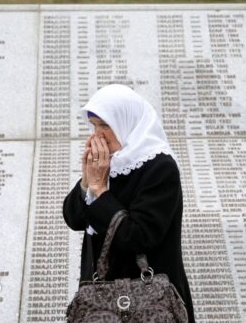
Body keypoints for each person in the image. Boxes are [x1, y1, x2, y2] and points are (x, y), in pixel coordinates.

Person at [63, 84, 195, 322]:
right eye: (94, 125)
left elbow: (139, 235)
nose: (98, 134)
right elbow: (74, 219)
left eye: (105, 125)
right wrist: (86, 181)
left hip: (151, 300)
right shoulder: (111, 162)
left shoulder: (160, 167)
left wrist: (101, 191)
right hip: (103, 301)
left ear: (126, 122)